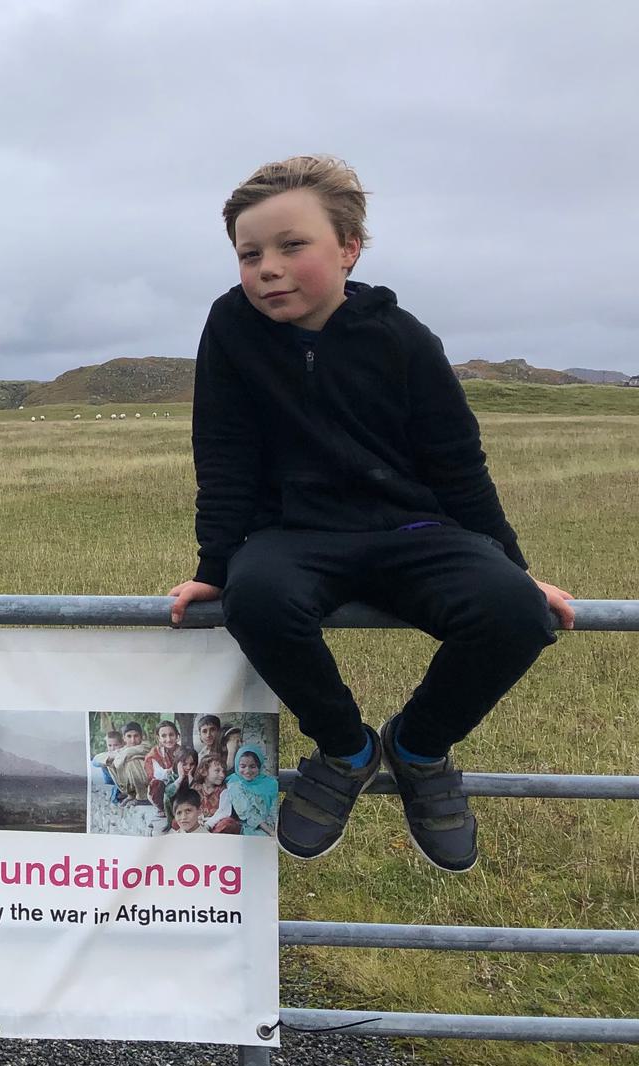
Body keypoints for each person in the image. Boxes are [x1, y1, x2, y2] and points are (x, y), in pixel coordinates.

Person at [168, 155, 574, 873]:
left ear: (349, 247)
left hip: (413, 531)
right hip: (293, 538)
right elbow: (223, 454)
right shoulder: (230, 329)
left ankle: (419, 749)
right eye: (250, 253)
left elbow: (458, 463)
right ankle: (345, 749)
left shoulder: (404, 339)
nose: (268, 268)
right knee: (253, 594)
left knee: (515, 613)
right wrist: (214, 567)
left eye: (293, 246)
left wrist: (513, 569)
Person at [225, 746, 280, 837]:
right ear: (237, 766)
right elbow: (247, 812)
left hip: (272, 828)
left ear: (259, 766)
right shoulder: (234, 783)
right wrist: (270, 832)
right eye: (243, 766)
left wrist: (274, 829)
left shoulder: (271, 783)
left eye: (252, 766)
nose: (247, 771)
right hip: (247, 829)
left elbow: (274, 809)